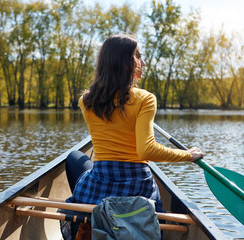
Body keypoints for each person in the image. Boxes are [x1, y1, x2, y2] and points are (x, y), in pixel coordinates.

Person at [62, 34, 203, 239]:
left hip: (102, 179)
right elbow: (146, 150)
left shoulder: (86, 101)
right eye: (138, 57)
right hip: (137, 185)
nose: (143, 63)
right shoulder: (145, 99)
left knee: (74, 157)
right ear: (125, 63)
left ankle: (87, 225)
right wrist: (186, 155)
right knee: (78, 159)